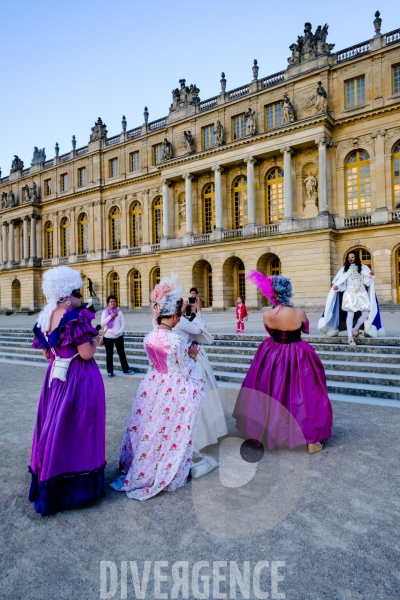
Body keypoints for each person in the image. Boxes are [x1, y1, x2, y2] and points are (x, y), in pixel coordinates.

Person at [110, 279, 210, 501]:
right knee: (169, 427)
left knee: (149, 424)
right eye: (178, 315)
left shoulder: (149, 336)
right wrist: (193, 356)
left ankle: (143, 460)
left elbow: (155, 362)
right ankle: (162, 464)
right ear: (173, 315)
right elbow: (186, 369)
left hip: (153, 382)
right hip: (172, 385)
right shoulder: (176, 340)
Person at [29, 266, 106, 516]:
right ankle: (76, 482)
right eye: (76, 292)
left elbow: (45, 353)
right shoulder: (74, 317)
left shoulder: (45, 318)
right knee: (79, 426)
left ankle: (50, 473)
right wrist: (96, 340)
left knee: (54, 425)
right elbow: (86, 353)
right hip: (77, 376)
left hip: (54, 377)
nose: (80, 297)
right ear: (65, 296)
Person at [233, 271, 332, 455]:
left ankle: (270, 433)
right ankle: (309, 439)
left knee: (270, 389)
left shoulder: (267, 314)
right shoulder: (299, 312)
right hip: (298, 353)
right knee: (304, 393)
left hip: (273, 353)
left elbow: (271, 332)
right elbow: (305, 328)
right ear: (288, 291)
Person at [156, 274, 228, 458]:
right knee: (201, 397)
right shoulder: (181, 320)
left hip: (170, 365)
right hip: (190, 357)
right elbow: (199, 331)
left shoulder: (159, 321)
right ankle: (203, 435)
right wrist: (199, 311)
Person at [318, 251, 385, 343]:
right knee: (350, 315)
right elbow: (340, 282)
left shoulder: (363, 268)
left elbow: (367, 282)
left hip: (362, 294)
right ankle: (350, 337)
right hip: (349, 294)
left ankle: (355, 329)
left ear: (356, 258)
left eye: (352, 257)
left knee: (366, 314)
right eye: (349, 257)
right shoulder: (344, 270)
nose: (350, 259)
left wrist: (370, 276)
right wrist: (337, 287)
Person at [101, 295, 133, 377]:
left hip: (118, 336)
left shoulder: (119, 312)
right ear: (108, 303)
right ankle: (110, 371)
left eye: (114, 301)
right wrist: (110, 316)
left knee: (121, 353)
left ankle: (126, 369)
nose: (113, 303)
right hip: (108, 336)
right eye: (111, 301)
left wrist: (119, 331)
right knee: (109, 354)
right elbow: (102, 323)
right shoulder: (105, 312)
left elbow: (123, 323)